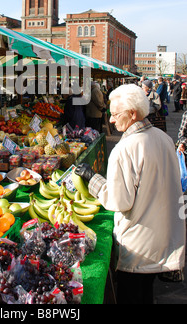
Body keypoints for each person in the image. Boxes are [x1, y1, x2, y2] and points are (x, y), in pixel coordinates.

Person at [75, 84, 186, 304]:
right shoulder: (163, 137)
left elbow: (119, 200)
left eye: (116, 114)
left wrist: (92, 179)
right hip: (163, 238)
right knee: (146, 293)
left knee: (133, 295)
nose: (112, 120)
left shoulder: (125, 149)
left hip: (138, 246)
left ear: (133, 114)